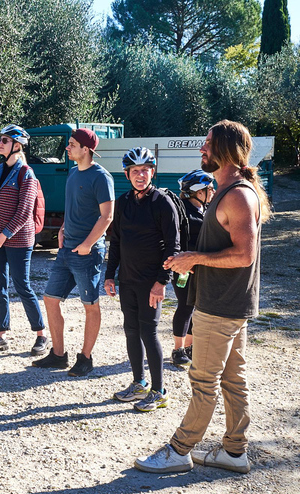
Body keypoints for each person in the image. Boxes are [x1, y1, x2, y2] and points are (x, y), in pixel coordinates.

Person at [135, 120, 270, 474]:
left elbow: (245, 255)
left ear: (225, 149)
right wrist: (192, 262)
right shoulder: (228, 190)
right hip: (227, 302)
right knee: (232, 379)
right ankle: (234, 452)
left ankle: (180, 450)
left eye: (208, 144)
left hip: (221, 305)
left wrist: (195, 258)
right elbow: (226, 249)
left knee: (203, 381)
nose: (202, 149)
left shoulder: (239, 194)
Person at [33, 128, 114, 376]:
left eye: (71, 144)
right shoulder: (71, 173)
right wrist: (64, 228)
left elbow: (107, 216)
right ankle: (58, 355)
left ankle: (85, 358)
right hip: (66, 249)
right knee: (50, 299)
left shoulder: (101, 177)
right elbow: (73, 207)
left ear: (86, 149)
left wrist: (88, 244)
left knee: (90, 305)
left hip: (87, 253)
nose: (67, 148)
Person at [105, 147, 180, 412]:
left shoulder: (162, 202)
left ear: (153, 171)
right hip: (127, 280)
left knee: (149, 332)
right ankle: (139, 383)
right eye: (135, 170)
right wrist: (109, 274)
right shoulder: (123, 201)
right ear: (127, 174)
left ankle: (159, 391)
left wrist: (162, 282)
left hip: (151, 283)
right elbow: (116, 241)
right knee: (131, 330)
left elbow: (174, 246)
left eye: (146, 169)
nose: (141, 175)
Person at [0, 124, 48, 356]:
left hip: (18, 240)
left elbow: (25, 210)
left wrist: (4, 234)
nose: (0, 143)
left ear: (17, 146)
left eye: (5, 140)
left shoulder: (26, 173)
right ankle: (1, 336)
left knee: (22, 285)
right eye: (0, 139)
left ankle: (41, 335)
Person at [170, 170, 216, 368]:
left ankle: (189, 346)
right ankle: (177, 349)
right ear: (198, 192)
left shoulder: (204, 209)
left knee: (197, 307)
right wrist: (183, 262)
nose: (213, 191)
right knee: (185, 306)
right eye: (209, 189)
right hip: (184, 269)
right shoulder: (182, 212)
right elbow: (174, 240)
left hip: (201, 268)